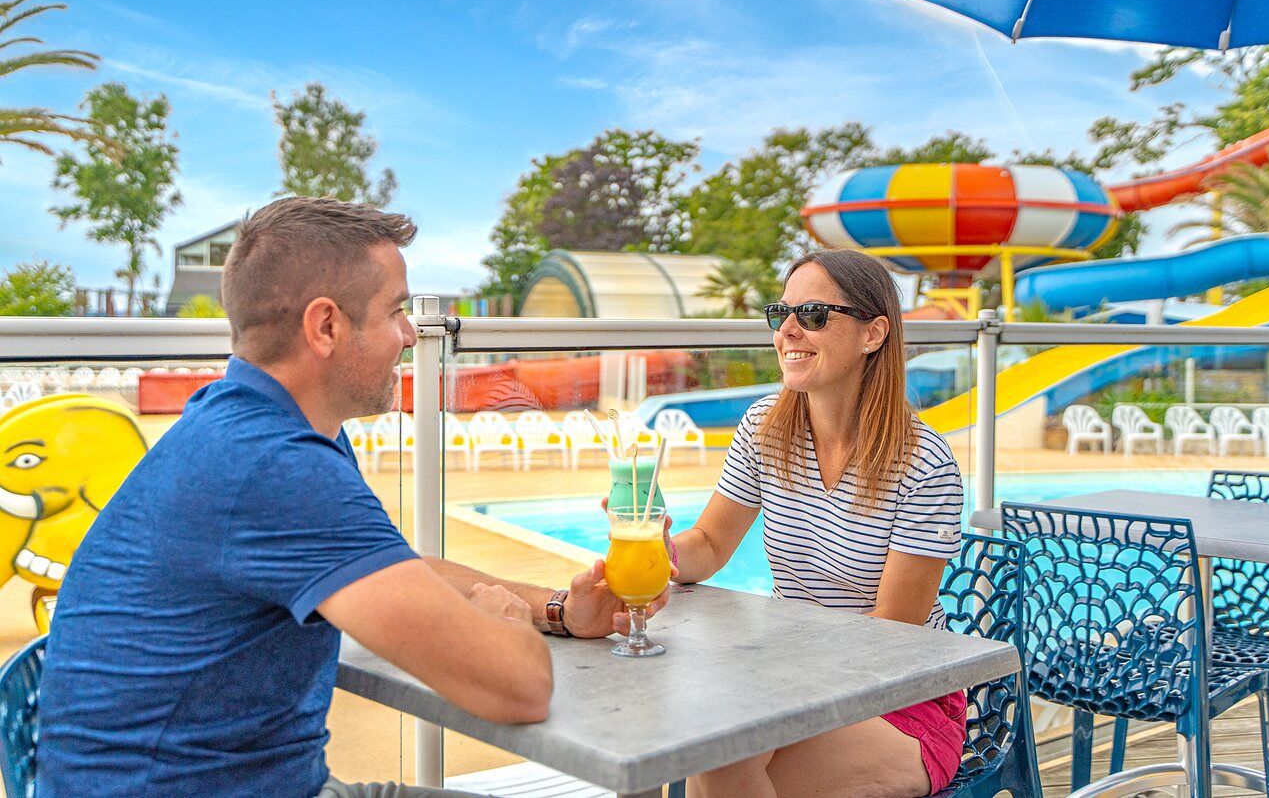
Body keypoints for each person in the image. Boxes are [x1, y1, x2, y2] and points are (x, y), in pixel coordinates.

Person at [35, 197, 667, 798]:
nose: (412, 335)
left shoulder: (260, 424)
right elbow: (518, 689)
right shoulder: (275, 466)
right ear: (327, 325)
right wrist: (500, 623)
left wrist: (555, 608)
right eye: (395, 311)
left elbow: (390, 570)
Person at [669, 249, 964, 798]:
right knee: (709, 750)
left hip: (901, 699)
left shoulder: (923, 462)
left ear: (873, 334)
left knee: (717, 764)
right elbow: (709, 542)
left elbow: (890, 640)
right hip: (793, 676)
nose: (787, 330)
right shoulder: (765, 426)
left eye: (812, 314)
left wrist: (769, 680)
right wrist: (654, 552)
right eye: (780, 313)